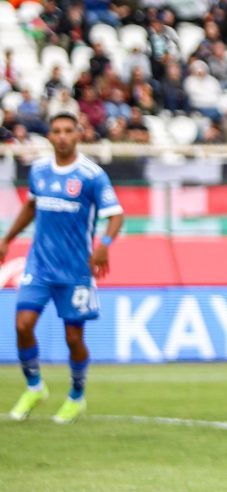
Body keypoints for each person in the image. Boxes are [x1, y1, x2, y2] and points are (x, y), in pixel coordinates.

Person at [1, 112, 124, 424]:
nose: (62, 136)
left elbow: (116, 214)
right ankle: (34, 386)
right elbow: (31, 206)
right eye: (56, 131)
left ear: (78, 135)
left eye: (68, 130)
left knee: (73, 338)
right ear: (50, 136)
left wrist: (104, 246)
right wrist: (8, 238)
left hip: (75, 270)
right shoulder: (40, 170)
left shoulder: (91, 175)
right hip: (39, 264)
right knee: (22, 324)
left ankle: (76, 395)